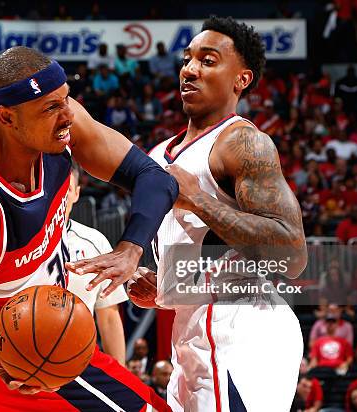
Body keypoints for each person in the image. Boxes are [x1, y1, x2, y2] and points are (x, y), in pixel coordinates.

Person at [0, 46, 176, 411]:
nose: (68, 115)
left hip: (30, 334)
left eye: (66, 99)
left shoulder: (54, 126)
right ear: (7, 117)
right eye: (51, 107)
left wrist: (131, 248)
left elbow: (155, 178)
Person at [124, 16, 306, 411]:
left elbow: (292, 254)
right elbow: (203, 256)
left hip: (243, 331)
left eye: (208, 60)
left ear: (241, 79)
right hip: (191, 334)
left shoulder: (243, 142)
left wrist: (199, 200)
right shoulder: (159, 155)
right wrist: (166, 290)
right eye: (188, 59)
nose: (190, 68)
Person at [65, 165, 128, 365]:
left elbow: (109, 316)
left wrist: (121, 375)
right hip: (26, 357)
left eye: (66, 190)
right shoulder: (19, 239)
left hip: (79, 359)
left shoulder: (94, 241)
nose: (59, 197)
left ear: (76, 194)